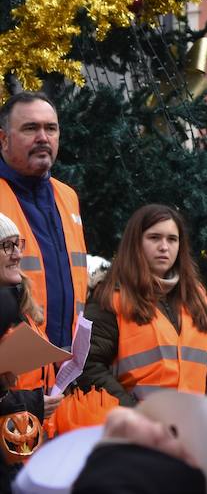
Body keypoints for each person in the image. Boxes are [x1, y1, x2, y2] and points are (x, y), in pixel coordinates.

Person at [78, 204, 207, 406]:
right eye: (154, 237)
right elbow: (89, 366)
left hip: (191, 426)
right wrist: (135, 412)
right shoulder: (111, 297)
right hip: (136, 429)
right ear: (135, 242)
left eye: (172, 239)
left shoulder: (196, 296)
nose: (164, 247)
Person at [0, 93, 87, 360]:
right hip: (13, 383)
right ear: (3, 139)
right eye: (30, 128)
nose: (43, 137)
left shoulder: (67, 197)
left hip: (63, 377)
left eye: (51, 128)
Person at [0, 212, 61, 485]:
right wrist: (32, 403)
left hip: (24, 444)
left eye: (18, 244)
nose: (16, 255)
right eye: (6, 246)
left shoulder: (21, 304)